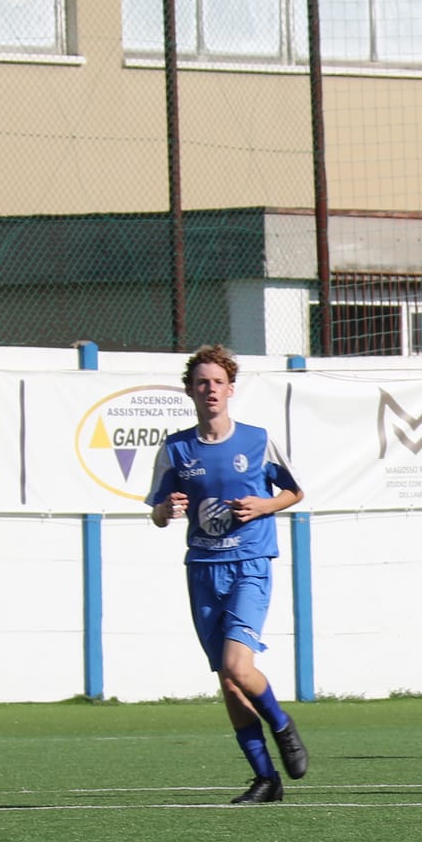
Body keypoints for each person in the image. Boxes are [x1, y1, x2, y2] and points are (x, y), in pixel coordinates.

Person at [145, 345, 308, 805]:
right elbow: (158, 513)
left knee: (240, 665)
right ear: (190, 391)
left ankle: (282, 725)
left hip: (250, 565)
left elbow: (294, 491)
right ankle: (265, 779)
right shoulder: (176, 448)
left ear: (230, 389)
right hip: (202, 570)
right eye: (202, 382)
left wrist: (264, 504)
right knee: (229, 680)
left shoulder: (256, 440)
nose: (210, 389)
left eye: (218, 382)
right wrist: (166, 510)